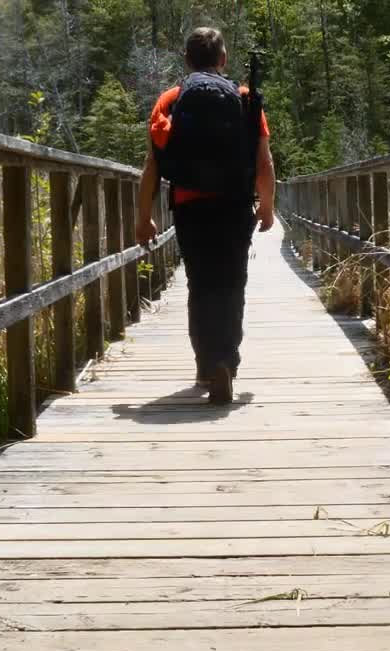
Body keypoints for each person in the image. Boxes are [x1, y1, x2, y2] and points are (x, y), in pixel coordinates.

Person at [135, 26, 276, 405]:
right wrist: (267, 205)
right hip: (233, 204)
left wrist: (143, 216)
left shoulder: (170, 100)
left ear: (187, 60)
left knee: (200, 283)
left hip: (189, 204)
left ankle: (205, 364)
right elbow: (263, 161)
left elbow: (153, 163)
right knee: (232, 282)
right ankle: (226, 361)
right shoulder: (246, 99)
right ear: (223, 59)